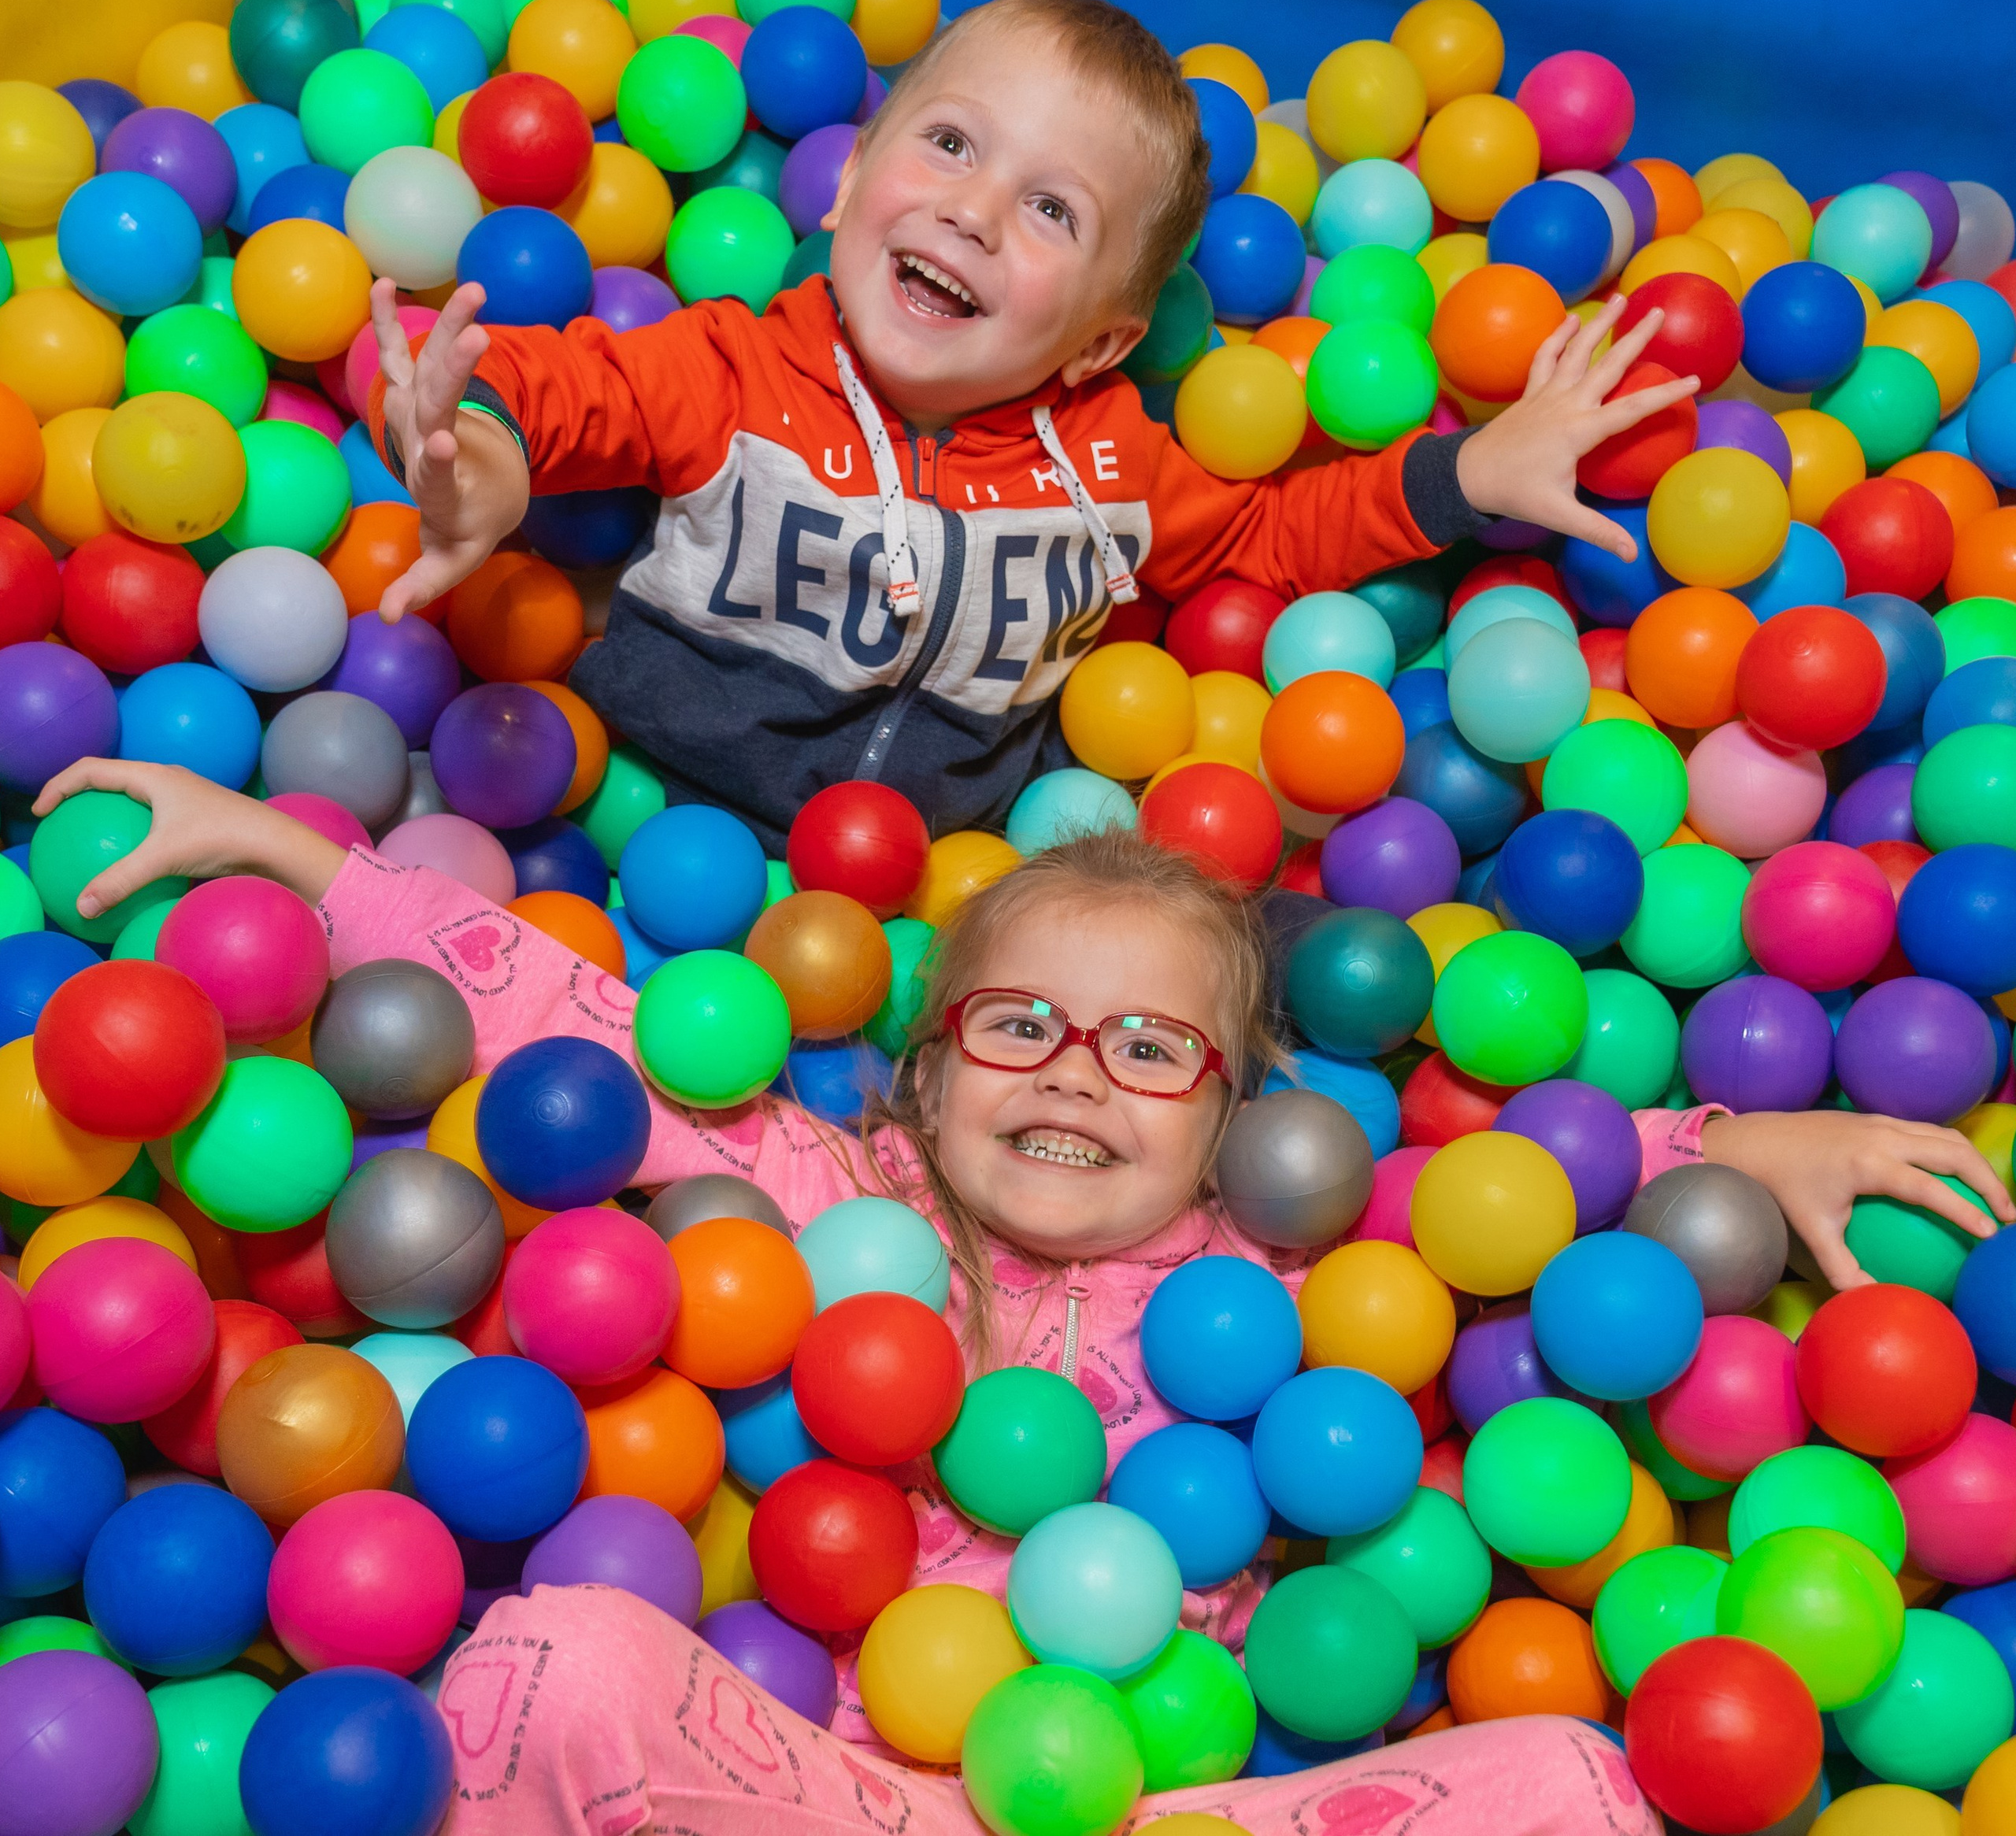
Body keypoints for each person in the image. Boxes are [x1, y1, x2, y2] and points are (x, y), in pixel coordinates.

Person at [35, 757, 2014, 1836]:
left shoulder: (1312, 1255)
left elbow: (1528, 1192)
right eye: (1023, 1022)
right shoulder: (822, 1190)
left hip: (1176, 1805)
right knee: (560, 1660)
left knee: (1569, 1776)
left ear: (1244, 1119)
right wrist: (287, 862)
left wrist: (1757, 1139)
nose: (1076, 1068)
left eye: (1154, 1048)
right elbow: (558, 1018)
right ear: (915, 1062)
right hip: (832, 1781)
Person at [363, 0, 1696, 849]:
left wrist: (1474, 473)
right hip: (619, 810)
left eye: (1051, 210)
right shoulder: (733, 367)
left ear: (1106, 339)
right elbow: (551, 386)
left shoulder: (1108, 458)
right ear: (845, 191)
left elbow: (1271, 544)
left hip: (953, 872)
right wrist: (472, 459)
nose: (974, 209)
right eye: (947, 145)